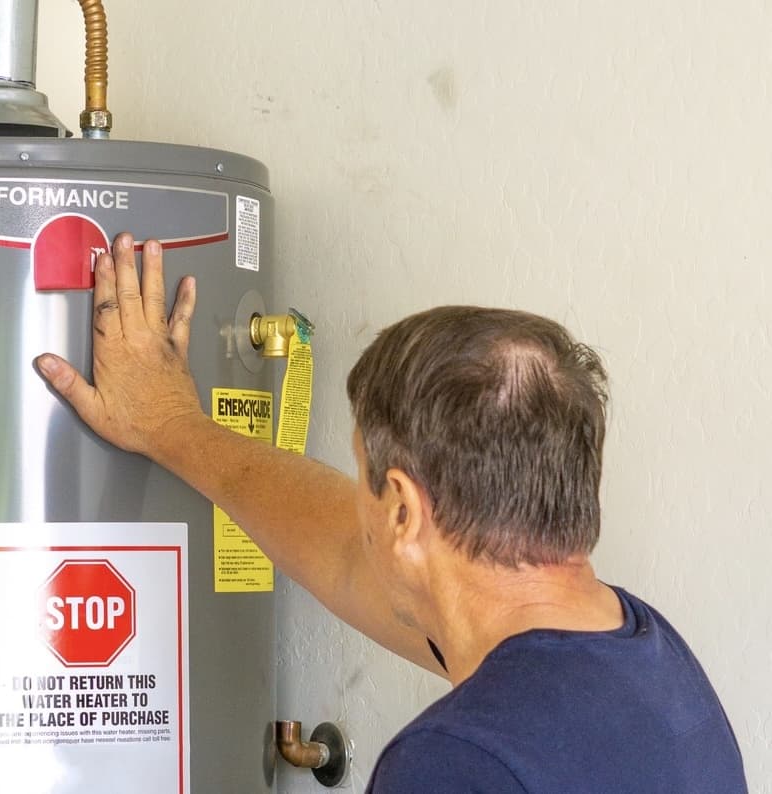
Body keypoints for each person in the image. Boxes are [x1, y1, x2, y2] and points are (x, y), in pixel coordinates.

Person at [36, 232, 747, 792]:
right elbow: (346, 552)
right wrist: (170, 427)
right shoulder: (644, 660)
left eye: (366, 483)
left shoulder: (457, 763)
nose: (361, 511)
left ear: (403, 512)